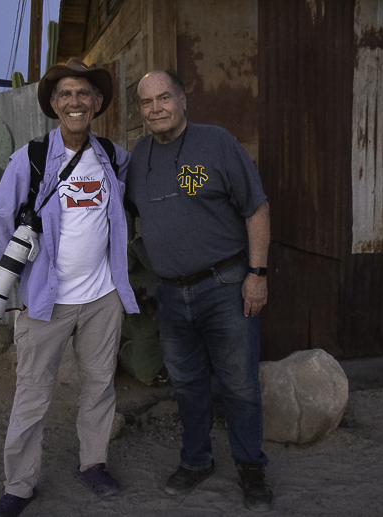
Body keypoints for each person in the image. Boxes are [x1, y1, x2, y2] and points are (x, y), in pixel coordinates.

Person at [0, 58, 139, 517]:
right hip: (45, 301)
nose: (76, 102)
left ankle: (93, 463)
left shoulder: (111, 156)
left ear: (97, 102)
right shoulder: (31, 159)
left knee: (100, 385)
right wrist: (24, 274)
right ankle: (19, 486)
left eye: (84, 93)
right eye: (66, 94)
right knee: (32, 393)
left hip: (101, 298)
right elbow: (0, 220)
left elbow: (127, 200)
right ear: (54, 105)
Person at [125, 70, 274, 512]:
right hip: (171, 294)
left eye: (164, 97)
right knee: (187, 386)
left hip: (225, 285)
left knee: (240, 384)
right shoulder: (139, 158)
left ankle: (251, 467)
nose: (156, 108)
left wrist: (258, 274)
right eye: (147, 102)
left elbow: (257, 208)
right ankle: (196, 461)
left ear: (183, 99)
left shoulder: (217, 143)